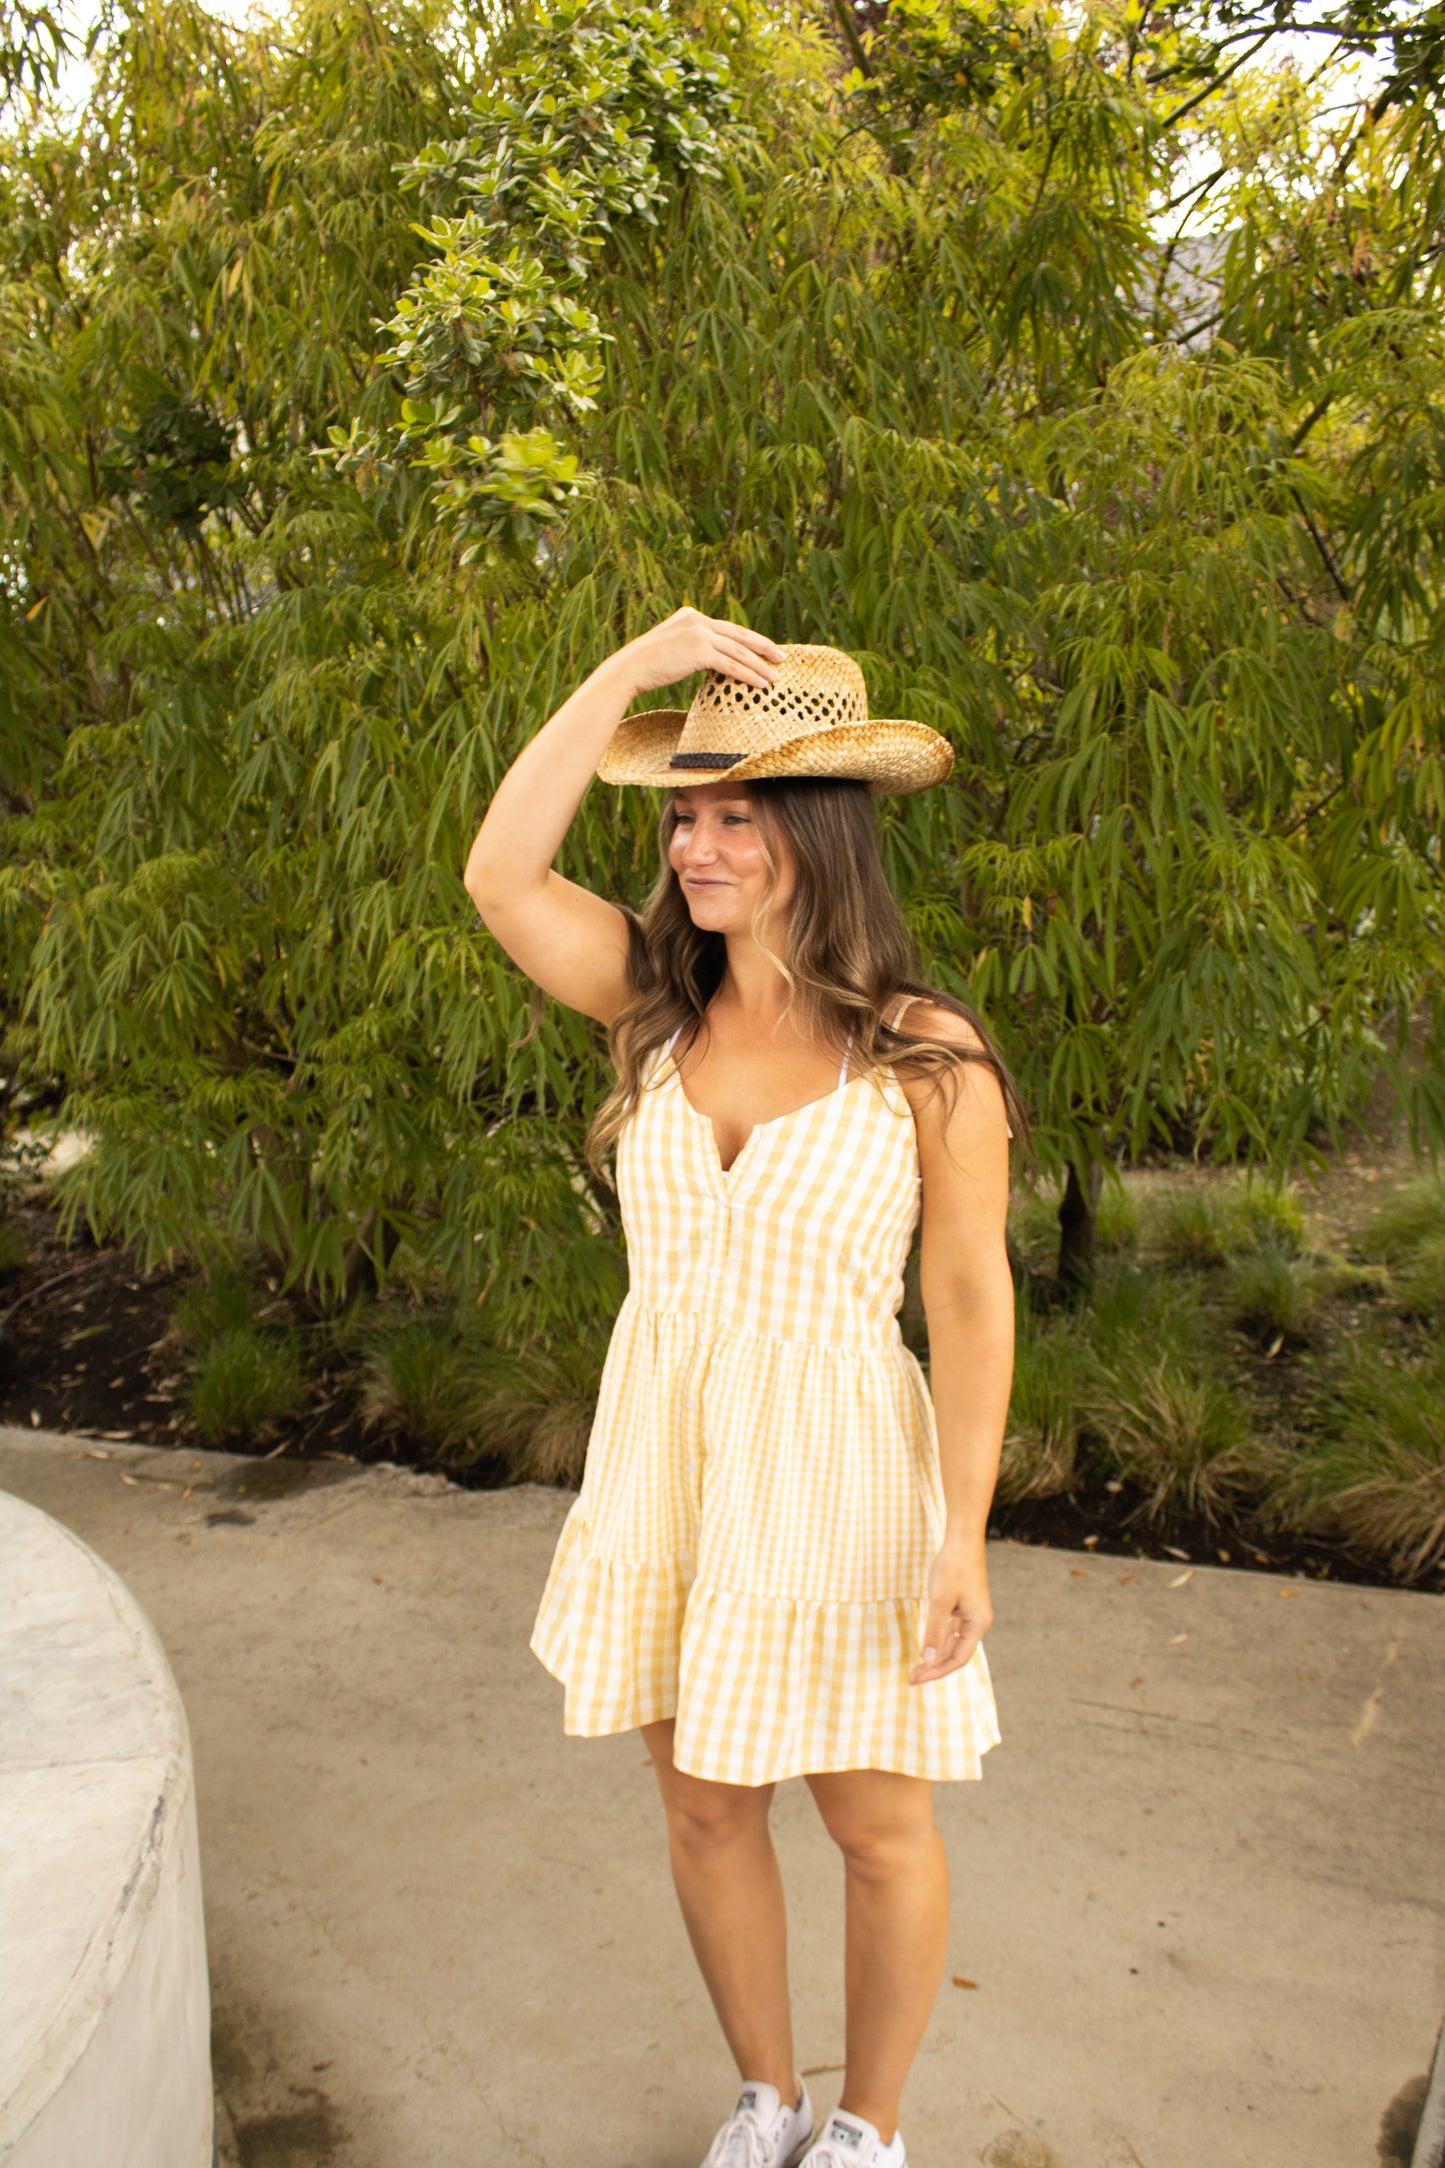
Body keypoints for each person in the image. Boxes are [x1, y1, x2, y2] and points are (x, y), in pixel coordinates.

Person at [464, 609, 1024, 2168]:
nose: (696, 846)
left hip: (842, 1481)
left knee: (875, 1823)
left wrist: (962, 1532)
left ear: (815, 830)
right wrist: (622, 674)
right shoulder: (652, 1004)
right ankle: (765, 2096)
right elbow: (500, 875)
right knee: (707, 1805)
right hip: (673, 1464)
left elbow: (967, 1301)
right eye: (681, 813)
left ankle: (867, 2128)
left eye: (733, 813)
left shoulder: (922, 1055)